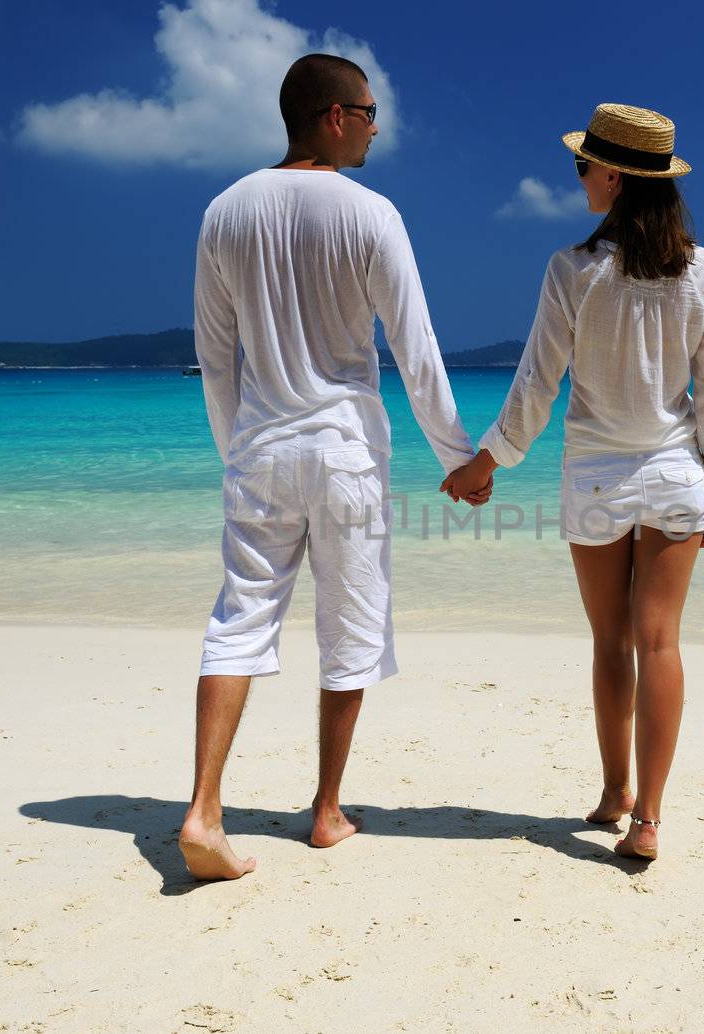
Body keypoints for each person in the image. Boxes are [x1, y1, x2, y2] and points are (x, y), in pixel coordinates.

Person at [180, 53, 488, 881]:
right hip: (345, 449)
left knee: (237, 621)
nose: (378, 126)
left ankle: (205, 811)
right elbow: (415, 350)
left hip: (262, 448)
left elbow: (215, 358)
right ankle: (325, 811)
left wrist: (235, 449)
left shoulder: (224, 212)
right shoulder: (372, 214)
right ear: (332, 116)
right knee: (350, 630)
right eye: (368, 111)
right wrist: (461, 460)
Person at [442, 103, 704, 861]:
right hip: (676, 474)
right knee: (660, 643)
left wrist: (488, 461)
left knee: (612, 642)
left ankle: (614, 794)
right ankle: (648, 824)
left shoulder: (574, 270)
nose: (577, 180)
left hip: (597, 478)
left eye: (583, 167)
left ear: (613, 174)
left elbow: (537, 384)